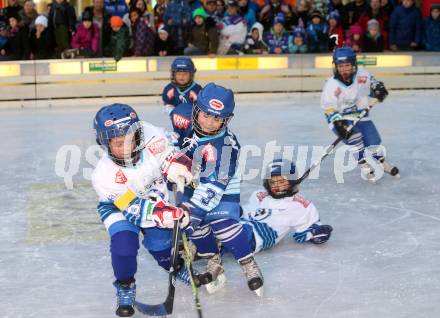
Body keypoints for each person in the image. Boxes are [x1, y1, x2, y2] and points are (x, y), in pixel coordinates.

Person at [91, 103, 193, 317]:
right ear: (104, 143)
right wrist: (163, 214)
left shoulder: (150, 133)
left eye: (130, 139)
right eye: (118, 143)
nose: (126, 147)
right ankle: (125, 287)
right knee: (123, 246)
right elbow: (133, 208)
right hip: (119, 206)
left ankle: (178, 268)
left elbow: (169, 153)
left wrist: (176, 167)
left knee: (162, 245)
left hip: (156, 197)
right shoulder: (104, 176)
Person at [170, 83, 264, 296]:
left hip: (221, 190)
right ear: (196, 109)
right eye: (206, 115)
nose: (210, 123)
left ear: (226, 119)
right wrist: (171, 165)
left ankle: (247, 263)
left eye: (217, 118)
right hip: (193, 185)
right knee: (196, 229)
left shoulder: (226, 147)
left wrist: (192, 212)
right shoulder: (183, 117)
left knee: (224, 226)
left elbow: (213, 188)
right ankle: (213, 261)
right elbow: (173, 142)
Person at [320, 47, 399, 182]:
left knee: (373, 141)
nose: (344, 69)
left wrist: (378, 90)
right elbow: (328, 108)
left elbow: (373, 86)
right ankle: (364, 164)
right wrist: (338, 124)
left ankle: (381, 162)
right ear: (335, 67)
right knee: (354, 136)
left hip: (360, 114)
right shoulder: (331, 85)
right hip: (340, 118)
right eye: (341, 66)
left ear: (354, 65)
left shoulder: (362, 75)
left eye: (347, 65)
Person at [241, 159, 333, 253]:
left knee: (231, 233)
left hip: (260, 235)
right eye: (272, 182)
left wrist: (318, 232)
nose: (277, 186)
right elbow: (246, 212)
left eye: (281, 182)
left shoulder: (300, 205)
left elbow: (308, 229)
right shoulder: (259, 195)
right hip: (241, 226)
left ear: (292, 181)